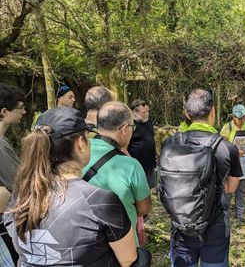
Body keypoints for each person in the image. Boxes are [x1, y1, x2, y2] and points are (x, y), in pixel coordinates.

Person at [4, 107, 137, 266]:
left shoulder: (20, 197)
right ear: (81, 143)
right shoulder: (100, 201)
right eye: (87, 137)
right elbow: (128, 259)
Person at [166, 88, 242, 266]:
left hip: (181, 225)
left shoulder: (170, 144)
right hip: (215, 226)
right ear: (213, 112)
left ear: (186, 112)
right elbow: (231, 187)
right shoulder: (227, 148)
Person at [82, 101, 151, 246]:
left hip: (86, 244)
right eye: (133, 127)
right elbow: (144, 208)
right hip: (124, 245)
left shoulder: (79, 151)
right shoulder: (131, 165)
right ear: (125, 129)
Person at [0, 83, 25, 265]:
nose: (23, 112)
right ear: (4, 112)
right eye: (20, 107)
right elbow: (18, 181)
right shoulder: (0, 145)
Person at [220, 104, 245, 223]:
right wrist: (234, 151)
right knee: (228, 188)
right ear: (233, 117)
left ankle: (240, 213)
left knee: (241, 188)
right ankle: (224, 212)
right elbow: (221, 146)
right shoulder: (227, 127)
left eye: (244, 117)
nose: (243, 120)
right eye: (240, 117)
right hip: (231, 162)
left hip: (244, 161)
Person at [128, 99, 157, 189]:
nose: (147, 114)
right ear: (134, 112)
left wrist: (157, 152)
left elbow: (151, 139)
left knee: (152, 187)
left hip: (150, 163)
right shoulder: (130, 125)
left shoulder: (148, 122)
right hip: (137, 165)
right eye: (143, 112)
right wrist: (130, 161)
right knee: (140, 190)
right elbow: (124, 146)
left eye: (147, 112)